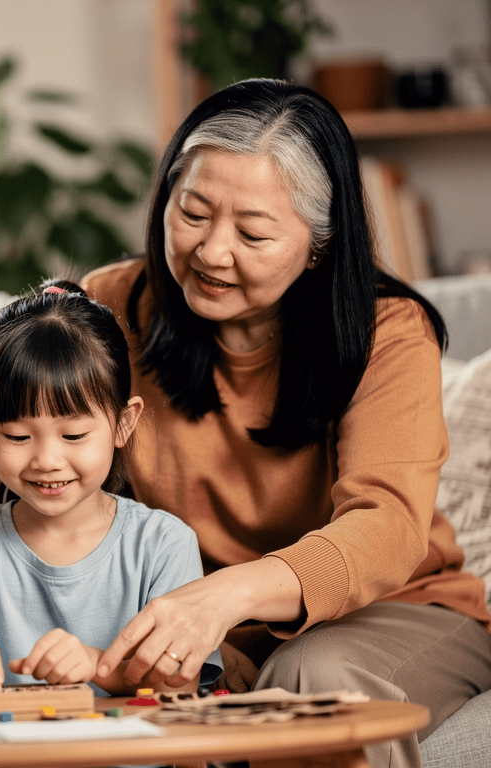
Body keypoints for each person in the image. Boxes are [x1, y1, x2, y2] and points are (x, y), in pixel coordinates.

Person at [82, 78, 491, 766]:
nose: (211, 252)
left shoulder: (388, 331)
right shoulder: (110, 307)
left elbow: (386, 527)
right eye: (193, 213)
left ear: (320, 246)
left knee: (311, 681)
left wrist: (223, 599)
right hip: (199, 619)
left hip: (391, 610)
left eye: (252, 232)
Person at [0, 280, 222, 700]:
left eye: (73, 435)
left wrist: (97, 664)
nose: (46, 460)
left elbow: (180, 683)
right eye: (18, 436)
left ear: (123, 423)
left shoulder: (163, 544)